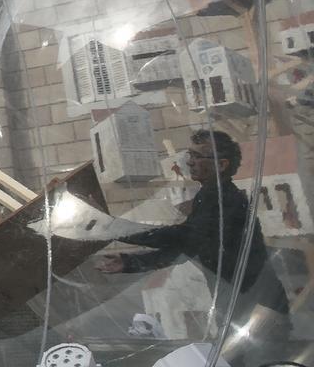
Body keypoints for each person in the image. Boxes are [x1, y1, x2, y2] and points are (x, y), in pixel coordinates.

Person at [96, 129, 291, 364]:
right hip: (237, 306)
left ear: (221, 165)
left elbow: (184, 237)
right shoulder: (207, 197)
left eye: (197, 156)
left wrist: (116, 230)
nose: (190, 161)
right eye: (190, 154)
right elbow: (186, 248)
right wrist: (129, 262)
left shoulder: (225, 200)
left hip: (260, 308)